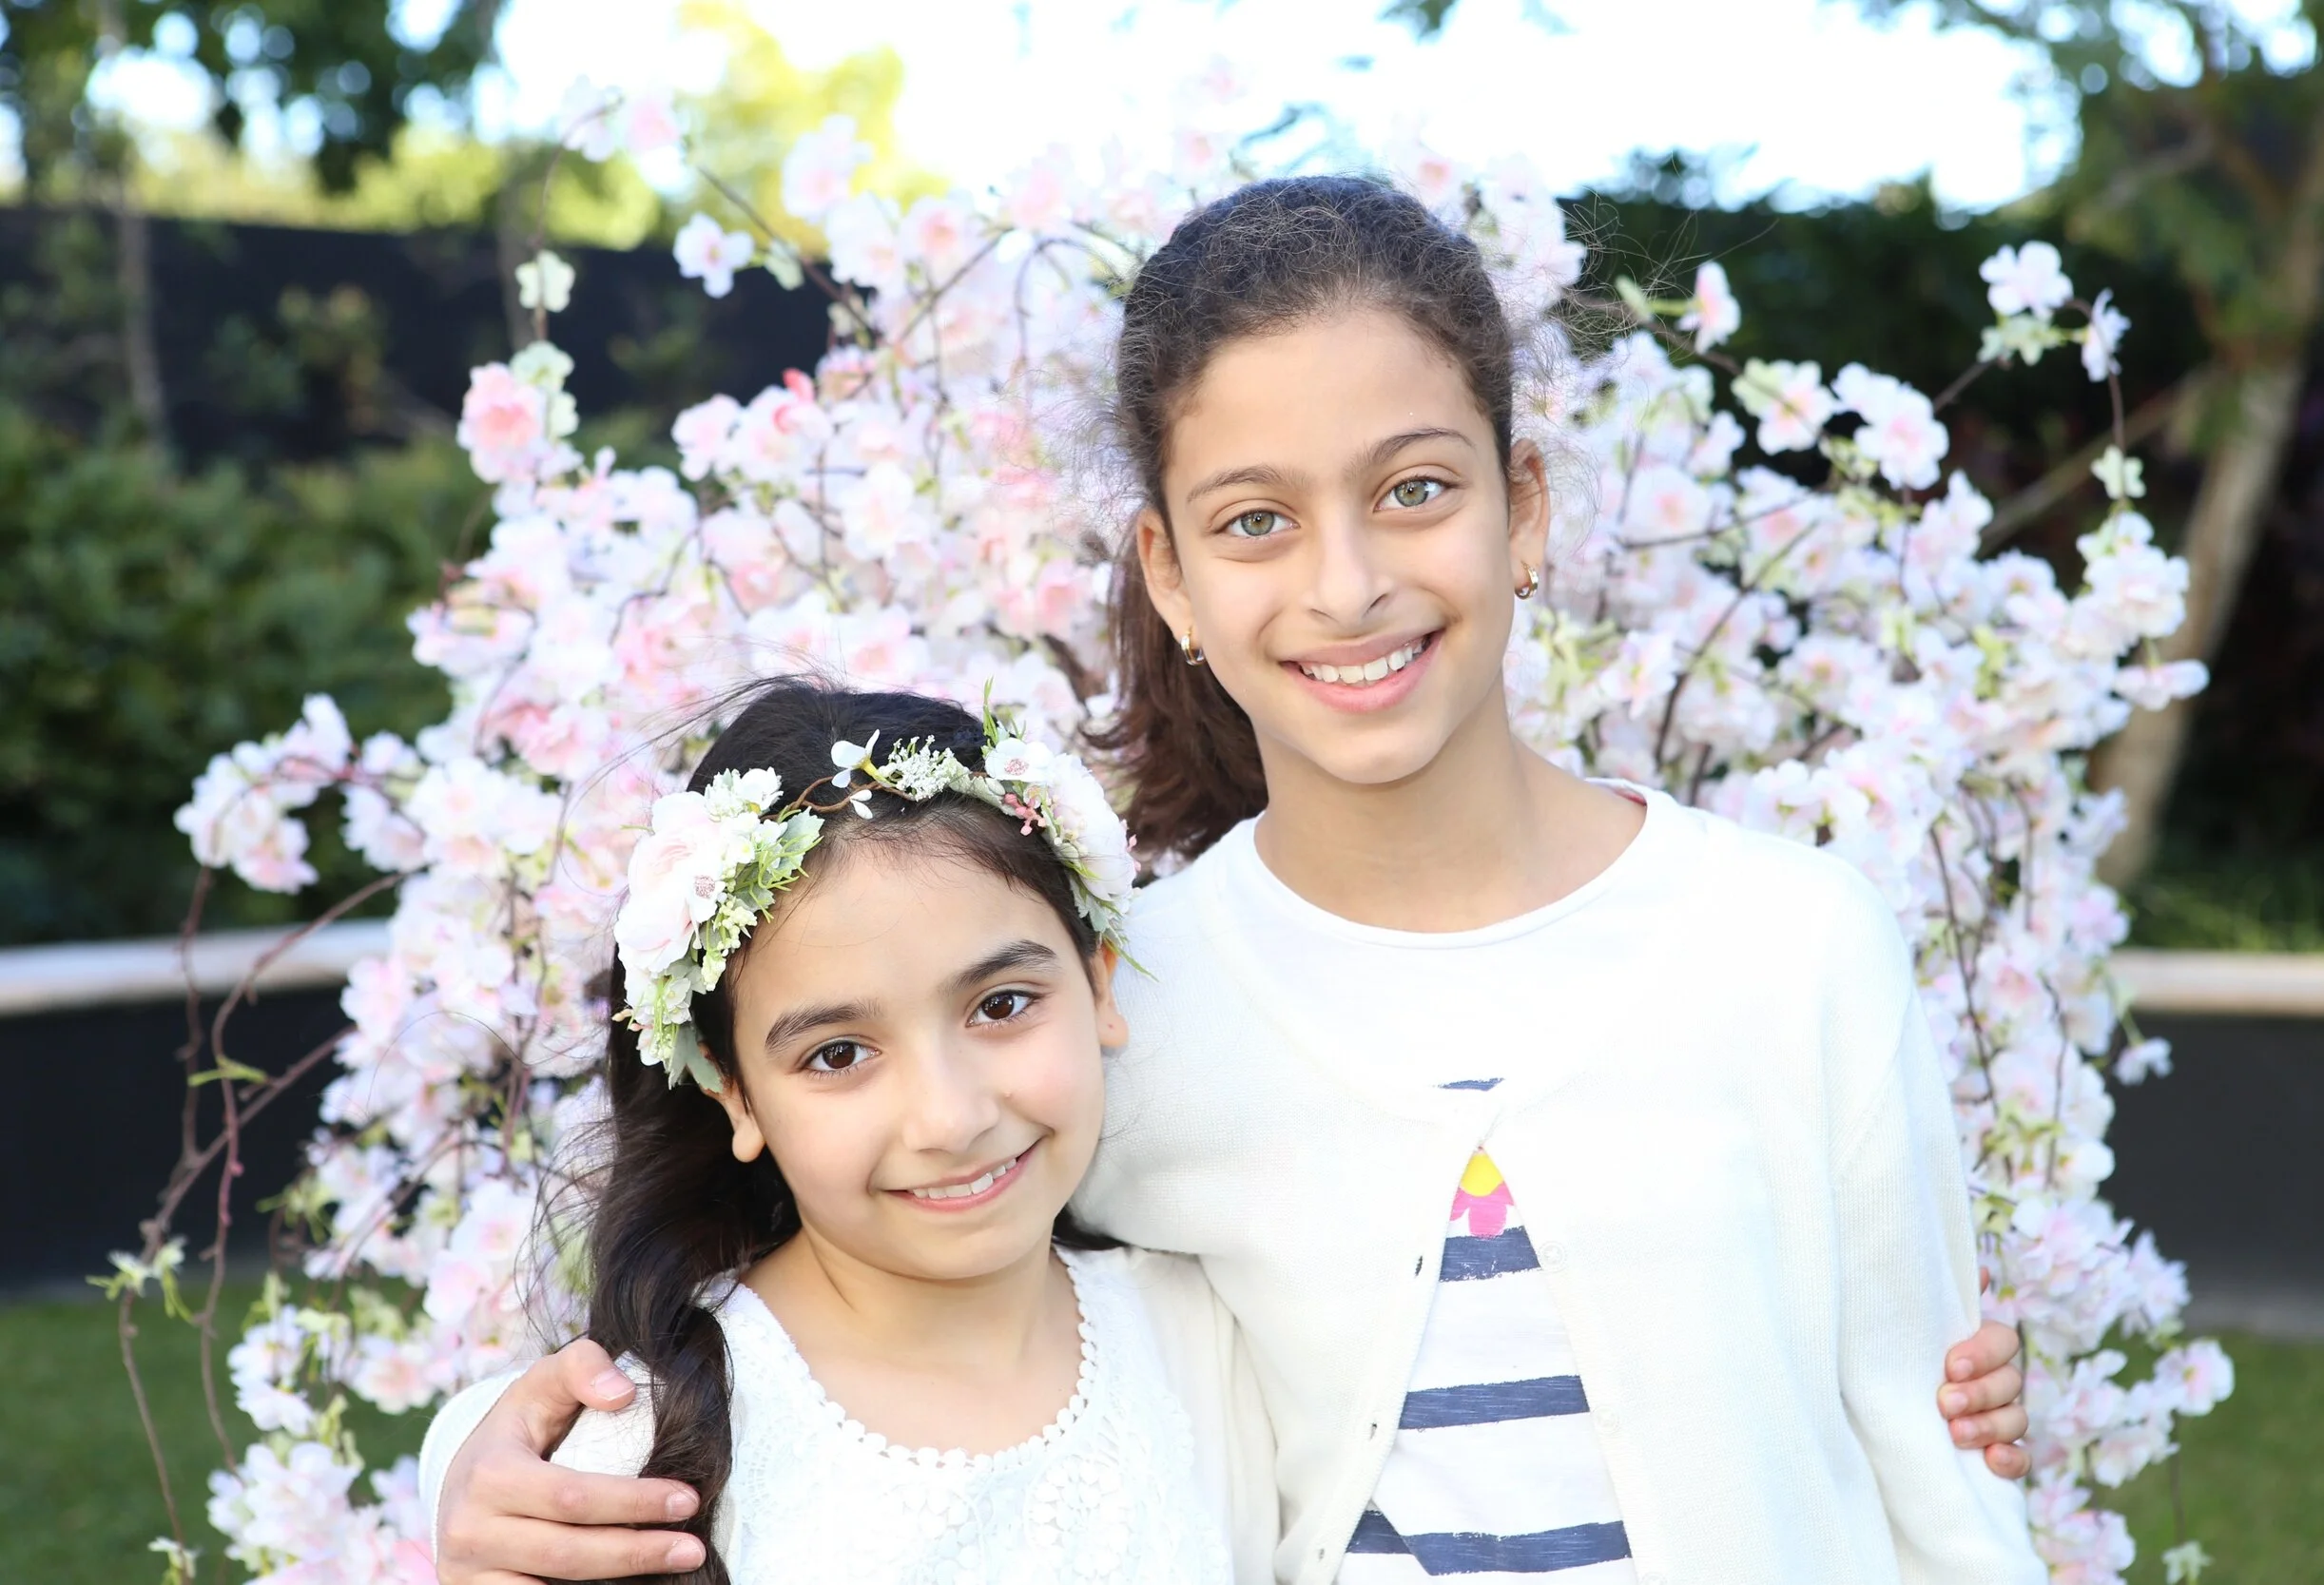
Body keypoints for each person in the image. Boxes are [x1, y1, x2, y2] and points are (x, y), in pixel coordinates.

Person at [430, 176, 2039, 1585]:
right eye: (1255, 520)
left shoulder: (1794, 947)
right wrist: (487, 1452)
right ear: (1171, 578)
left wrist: (1986, 1402)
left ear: (1523, 506)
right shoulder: (1119, 1007)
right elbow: (871, 1311)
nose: (1346, 583)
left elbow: (1938, 1457)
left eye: (1416, 488)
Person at [418, 681, 1274, 1583]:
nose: (950, 1117)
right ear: (733, 1090)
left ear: (1100, 985)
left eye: (1002, 1004)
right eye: (838, 1055)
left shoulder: (1202, 1335)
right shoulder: (638, 1458)